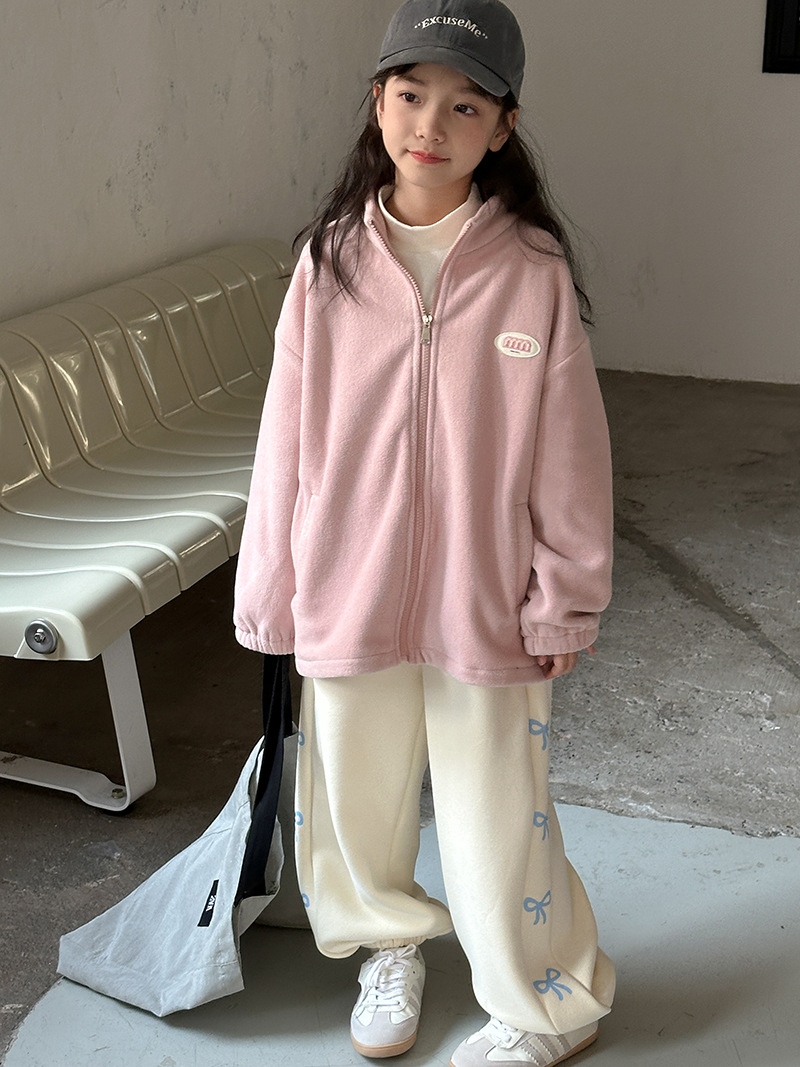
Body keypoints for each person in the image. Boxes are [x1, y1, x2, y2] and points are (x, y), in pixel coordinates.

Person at [233, 0, 615, 1063]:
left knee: (501, 807)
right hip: (346, 583)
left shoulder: (529, 267)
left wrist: (564, 592)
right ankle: (387, 944)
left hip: (484, 596)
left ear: (503, 126)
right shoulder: (329, 263)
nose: (430, 125)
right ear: (377, 102)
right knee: (352, 794)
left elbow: (570, 449)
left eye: (464, 105)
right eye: (411, 95)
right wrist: (271, 587)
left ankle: (545, 1003)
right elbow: (284, 441)